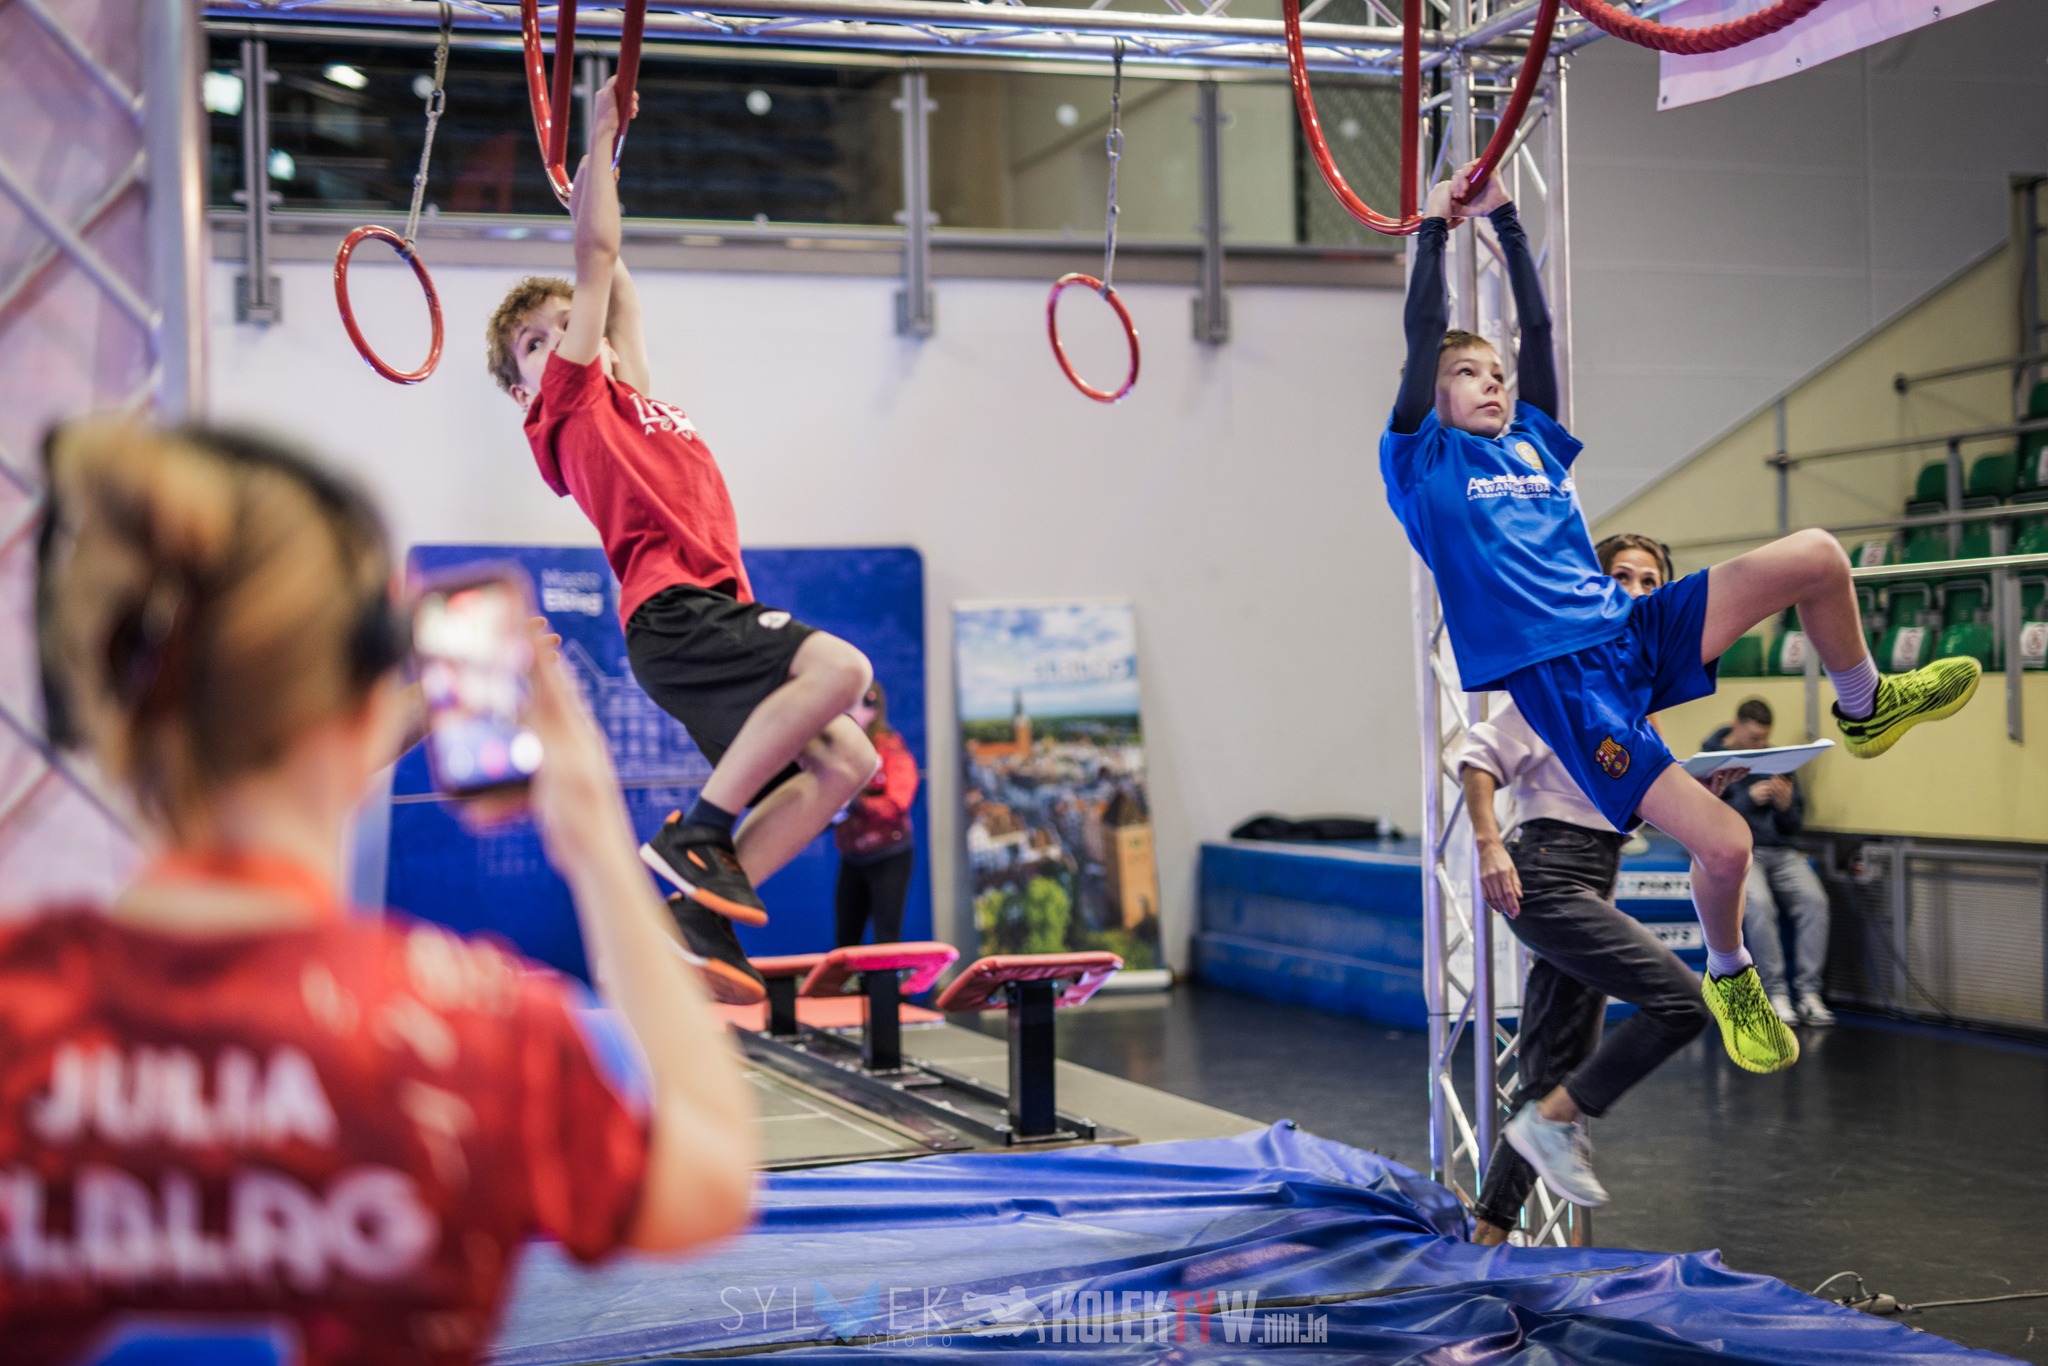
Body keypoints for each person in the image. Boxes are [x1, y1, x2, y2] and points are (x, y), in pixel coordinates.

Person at [10, 417, 755, 1364]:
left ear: (102, 705)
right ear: (370, 705)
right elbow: (713, 1174)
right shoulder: (478, 1032)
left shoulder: (20, 1012)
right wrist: (597, 839)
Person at [1381, 161, 1980, 1076]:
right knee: (1729, 844)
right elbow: (1424, 330)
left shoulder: (1534, 441)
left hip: (1631, 630)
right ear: (1431, 392)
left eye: (1497, 373)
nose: (1492, 383)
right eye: (1468, 374)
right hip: (1569, 684)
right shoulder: (1420, 464)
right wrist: (1434, 226)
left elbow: (1541, 331)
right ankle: (1732, 974)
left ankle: (1866, 704)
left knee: (1819, 555)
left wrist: (1506, 220)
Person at [486, 76, 877, 998]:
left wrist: (598, 176)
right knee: (844, 671)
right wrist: (593, 137)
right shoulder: (567, 406)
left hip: (707, 620)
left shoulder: (633, 395)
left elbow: (613, 277)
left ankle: (696, 915)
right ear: (522, 389)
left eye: (566, 328)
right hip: (675, 615)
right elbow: (596, 260)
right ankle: (698, 834)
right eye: (535, 343)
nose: (562, 338)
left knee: (848, 762)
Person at [1461, 533, 1719, 1235]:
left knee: (1551, 1070)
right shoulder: (1566, 675)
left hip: (1593, 875)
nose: (1636, 591)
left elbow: (1638, 803)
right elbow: (1479, 758)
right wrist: (1488, 844)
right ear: (1596, 589)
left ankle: (1486, 1231)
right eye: (1622, 577)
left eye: (1650, 581)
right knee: (1683, 1004)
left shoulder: (1638, 702)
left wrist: (1706, 790)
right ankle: (1552, 1125)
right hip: (1546, 874)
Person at [1702, 698, 1835, 1027]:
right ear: (1736, 726)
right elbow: (1706, 819)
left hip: (1781, 851)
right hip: (1740, 852)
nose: (1759, 745)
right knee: (1759, 906)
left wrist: (1786, 805)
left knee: (1815, 901)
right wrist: (1748, 799)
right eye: (1753, 739)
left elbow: (1794, 824)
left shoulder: (1779, 760)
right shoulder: (1710, 761)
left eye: (1764, 738)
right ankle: (1775, 993)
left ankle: (1809, 993)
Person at [833, 680, 919, 948]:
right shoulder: (836, 749)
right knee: (846, 939)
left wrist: (856, 803)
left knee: (887, 938)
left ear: (873, 707)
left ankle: (887, 979)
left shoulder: (889, 747)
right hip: (852, 856)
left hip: (889, 853)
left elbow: (897, 803)